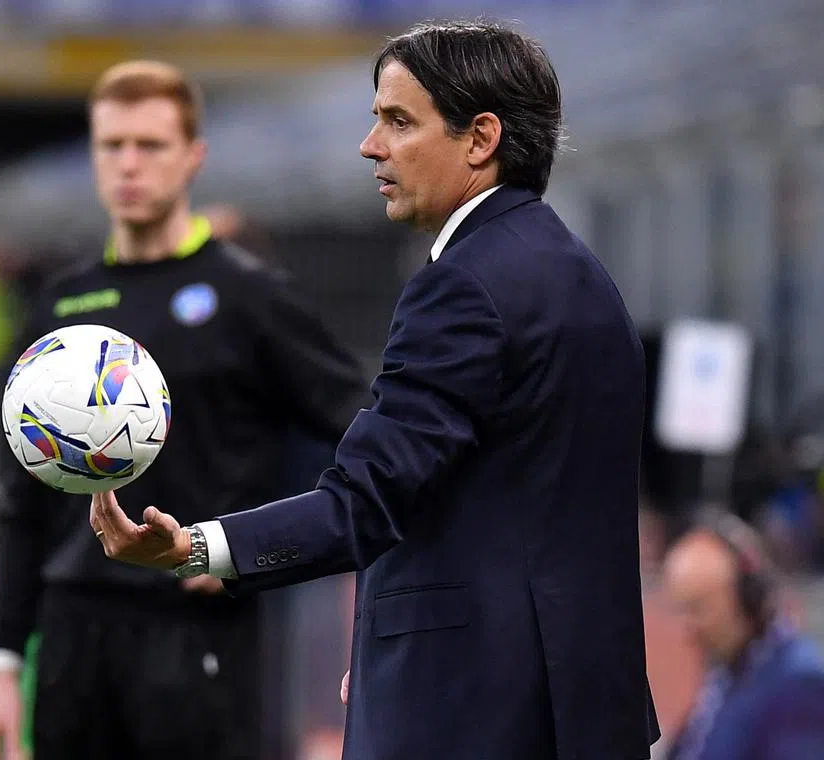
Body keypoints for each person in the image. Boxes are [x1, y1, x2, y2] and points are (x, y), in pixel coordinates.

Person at [90, 20, 659, 760]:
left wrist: (194, 548)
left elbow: (366, 499)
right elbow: (499, 505)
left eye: (398, 121)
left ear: (480, 138)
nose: (372, 146)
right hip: (579, 709)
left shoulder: (460, 288)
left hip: (474, 714)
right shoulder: (585, 280)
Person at [0, 60, 366, 760]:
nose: (128, 164)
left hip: (192, 625)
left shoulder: (249, 296)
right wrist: (3, 664)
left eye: (149, 145)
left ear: (193, 157)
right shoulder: (61, 307)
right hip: (72, 631)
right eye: (111, 145)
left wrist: (254, 554)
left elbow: (366, 439)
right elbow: (21, 498)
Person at [661, 509, 824, 760]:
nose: (688, 628)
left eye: (697, 608)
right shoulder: (727, 679)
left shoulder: (802, 686)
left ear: (747, 598)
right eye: (681, 609)